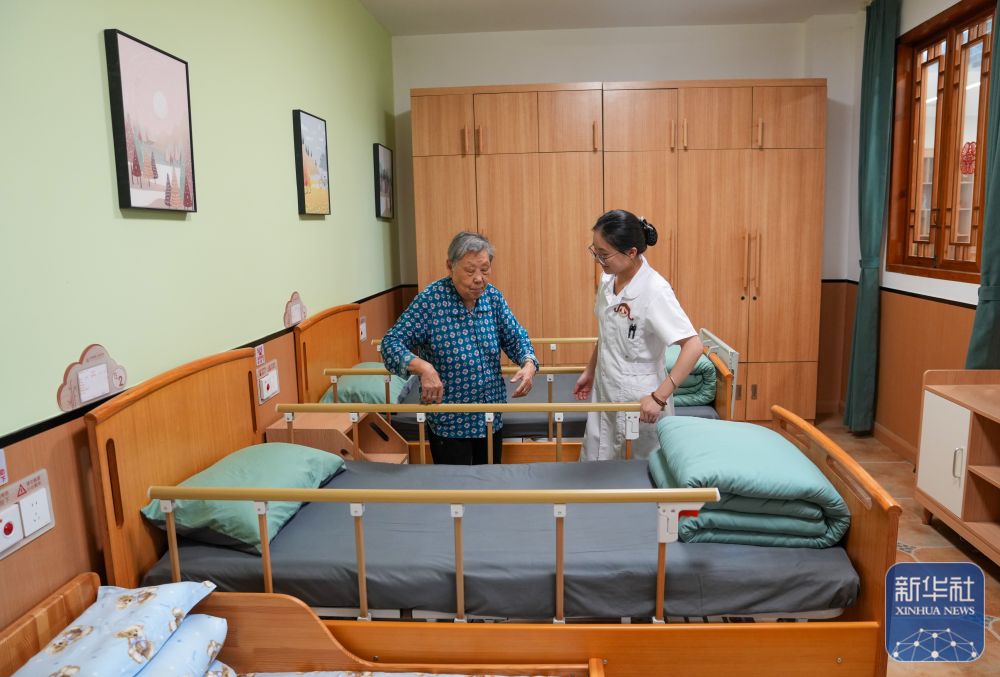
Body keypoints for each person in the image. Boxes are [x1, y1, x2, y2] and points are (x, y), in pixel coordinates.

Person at [382, 231, 538, 465]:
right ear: (450, 266)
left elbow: (516, 337)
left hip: (489, 419)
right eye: (470, 270)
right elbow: (390, 343)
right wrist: (423, 368)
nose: (479, 279)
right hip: (450, 424)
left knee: (491, 483)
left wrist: (528, 362)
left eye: (485, 270)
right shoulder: (430, 302)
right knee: (455, 486)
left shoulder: (492, 298)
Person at [573, 210, 704, 461]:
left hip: (641, 400)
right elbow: (608, 332)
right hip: (605, 390)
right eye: (595, 252)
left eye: (604, 254)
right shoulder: (607, 280)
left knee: (637, 474)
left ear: (631, 252)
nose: (598, 260)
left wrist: (659, 397)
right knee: (597, 467)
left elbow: (694, 345)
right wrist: (590, 370)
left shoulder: (655, 290)